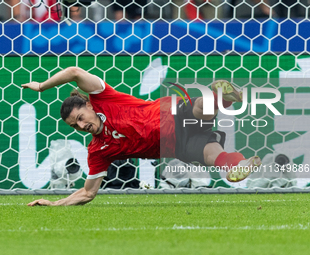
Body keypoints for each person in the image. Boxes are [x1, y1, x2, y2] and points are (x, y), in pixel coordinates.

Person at [22, 67, 261, 206]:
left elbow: (74, 72)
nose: (82, 125)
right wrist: (55, 204)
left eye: (81, 117)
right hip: (176, 145)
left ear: (88, 104)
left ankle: (220, 95)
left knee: (198, 110)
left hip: (169, 115)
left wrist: (42, 86)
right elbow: (88, 192)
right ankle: (239, 164)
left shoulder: (103, 98)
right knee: (210, 155)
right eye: (76, 125)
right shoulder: (98, 150)